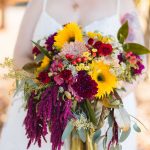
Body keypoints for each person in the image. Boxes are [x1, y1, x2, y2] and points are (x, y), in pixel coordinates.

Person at [0, 0, 145, 149]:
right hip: (44, 112)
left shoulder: (122, 3)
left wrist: (107, 101)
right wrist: (49, 87)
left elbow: (140, 62)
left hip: (104, 116)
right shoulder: (38, 2)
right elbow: (20, 55)